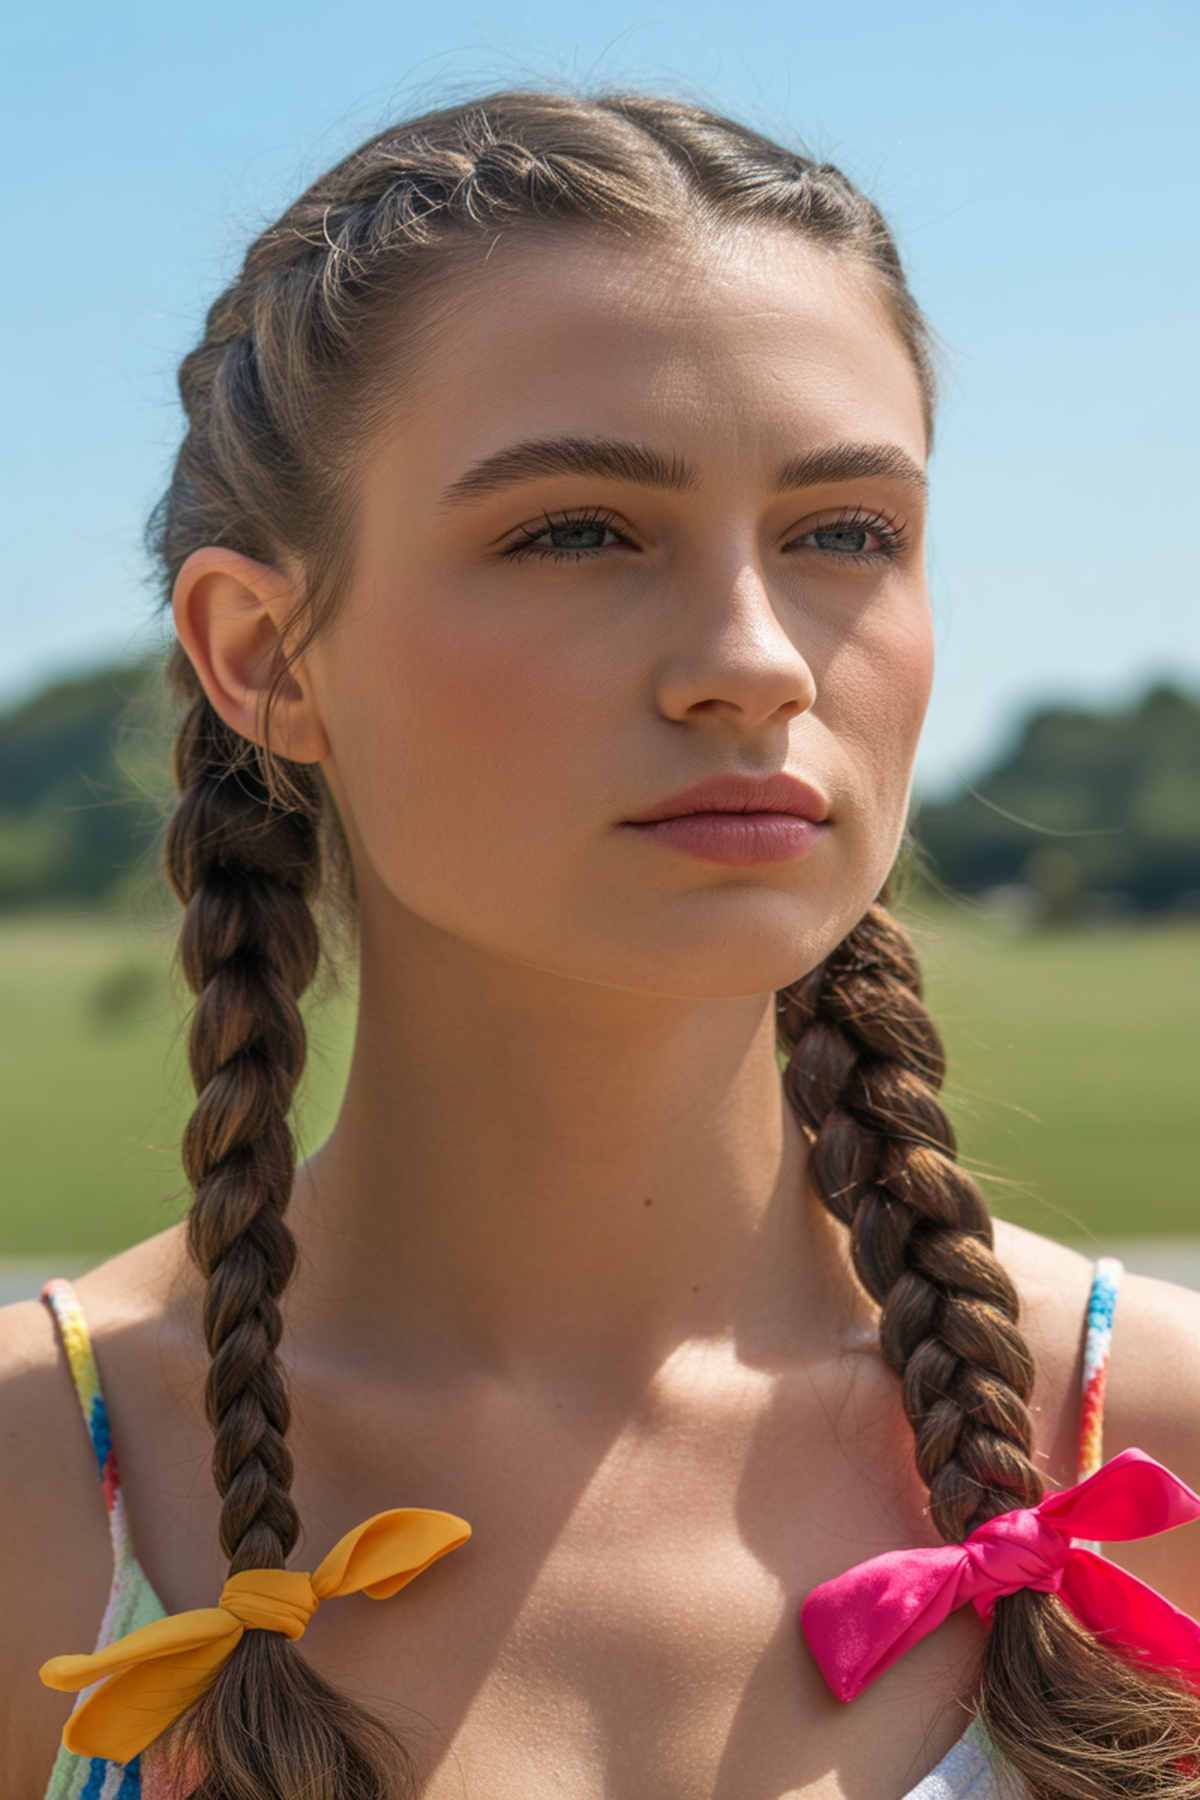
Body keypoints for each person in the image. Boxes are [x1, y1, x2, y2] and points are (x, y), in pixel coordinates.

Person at [1, 89, 1198, 1800]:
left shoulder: (1153, 1440)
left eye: (848, 531)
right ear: (264, 652)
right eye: (576, 531)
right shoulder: (39, 1484)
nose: (754, 657)